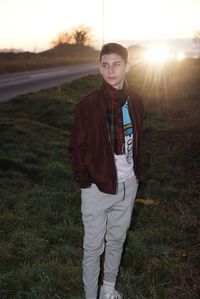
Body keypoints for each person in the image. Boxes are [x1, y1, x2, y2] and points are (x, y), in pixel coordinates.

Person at [68, 43, 144, 299]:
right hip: (97, 188)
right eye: (105, 65)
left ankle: (108, 290)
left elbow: (138, 140)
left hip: (127, 185)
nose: (110, 71)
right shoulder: (88, 105)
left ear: (127, 67)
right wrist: (85, 181)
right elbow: (76, 146)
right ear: (99, 69)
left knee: (117, 241)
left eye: (116, 64)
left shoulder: (135, 101)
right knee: (93, 248)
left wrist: (135, 175)